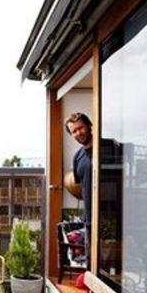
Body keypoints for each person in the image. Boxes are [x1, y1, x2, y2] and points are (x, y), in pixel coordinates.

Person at [65, 112, 93, 264]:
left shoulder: (106, 148)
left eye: (80, 128)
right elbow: (81, 187)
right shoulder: (78, 157)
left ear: (89, 125)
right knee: (91, 262)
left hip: (112, 216)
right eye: (73, 131)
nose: (78, 133)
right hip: (89, 218)